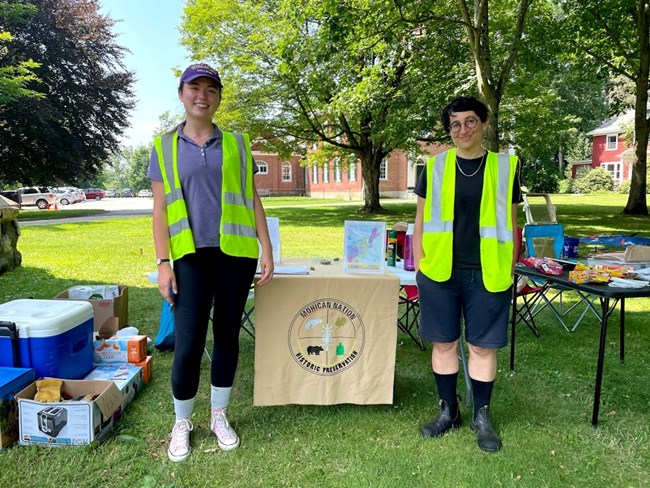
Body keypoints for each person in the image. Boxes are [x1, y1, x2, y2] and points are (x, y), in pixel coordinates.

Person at [147, 62, 274, 462]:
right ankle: (182, 422)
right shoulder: (163, 147)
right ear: (182, 93)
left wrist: (266, 248)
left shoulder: (237, 142)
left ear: (219, 96)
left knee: (227, 338)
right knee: (187, 344)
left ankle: (219, 415)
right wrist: (163, 262)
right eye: (194, 88)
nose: (202, 95)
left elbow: (252, 198)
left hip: (235, 256)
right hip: (189, 258)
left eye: (211, 89)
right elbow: (159, 210)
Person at [413, 96, 522, 452]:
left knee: (481, 346)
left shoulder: (505, 168)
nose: (463, 129)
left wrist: (511, 266)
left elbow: (512, 222)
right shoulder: (434, 167)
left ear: (485, 123)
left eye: (471, 121)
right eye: (455, 124)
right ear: (449, 129)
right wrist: (420, 263)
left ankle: (482, 417)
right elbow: (420, 218)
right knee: (444, 342)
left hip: (488, 271)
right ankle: (449, 412)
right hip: (440, 271)